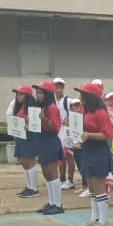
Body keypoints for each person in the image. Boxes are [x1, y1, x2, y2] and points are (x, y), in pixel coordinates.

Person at [74, 83, 113, 226]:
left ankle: (103, 221)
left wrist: (88, 135)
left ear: (90, 97)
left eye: (82, 95)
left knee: (98, 186)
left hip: (98, 151)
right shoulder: (85, 111)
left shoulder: (100, 113)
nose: (80, 98)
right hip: (88, 150)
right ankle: (94, 218)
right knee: (91, 185)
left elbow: (107, 134)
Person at [32, 81, 65, 215]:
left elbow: (55, 128)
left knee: (52, 172)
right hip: (43, 140)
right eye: (38, 92)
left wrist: (44, 119)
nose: (39, 95)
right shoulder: (42, 107)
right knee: (46, 172)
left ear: (47, 94)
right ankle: (51, 203)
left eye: (41, 92)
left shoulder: (51, 107)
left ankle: (57, 204)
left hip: (50, 140)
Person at [12, 86, 41, 198]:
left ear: (27, 95)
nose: (19, 96)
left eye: (22, 94)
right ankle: (29, 187)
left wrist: (28, 125)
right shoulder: (20, 106)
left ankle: (34, 189)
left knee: (29, 161)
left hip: (30, 137)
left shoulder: (32, 107)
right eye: (18, 94)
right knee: (24, 161)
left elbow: (35, 123)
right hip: (22, 137)